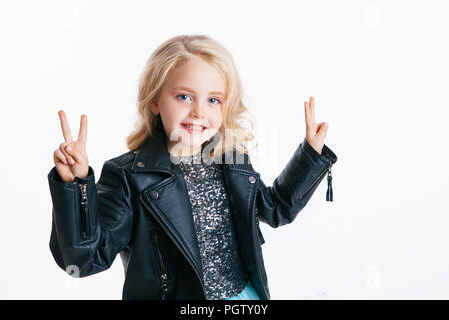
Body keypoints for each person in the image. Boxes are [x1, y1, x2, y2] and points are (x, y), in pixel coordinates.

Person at [47, 34, 338, 300]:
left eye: (213, 100)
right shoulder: (130, 177)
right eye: (184, 96)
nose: (199, 111)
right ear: (154, 100)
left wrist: (310, 154)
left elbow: (276, 208)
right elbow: (86, 259)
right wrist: (76, 185)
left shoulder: (230, 160)